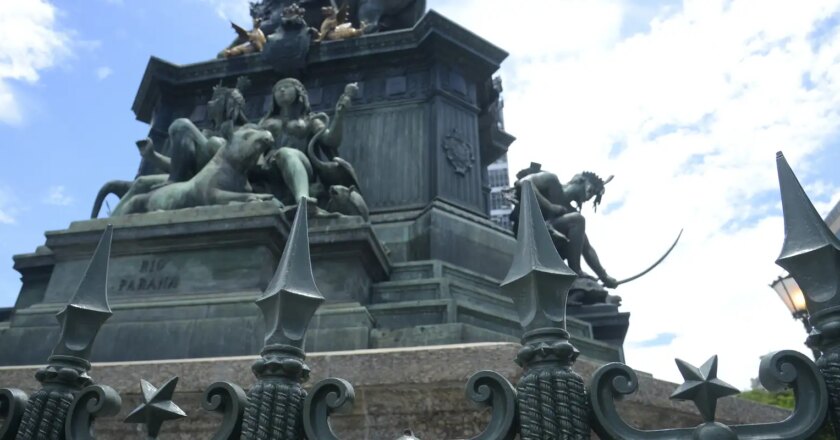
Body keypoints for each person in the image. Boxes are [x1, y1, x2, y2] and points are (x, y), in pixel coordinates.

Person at [510, 162, 618, 288]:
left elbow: (587, 248)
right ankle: (576, 271)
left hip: (548, 243)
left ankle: (574, 274)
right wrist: (550, 206)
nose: (588, 199)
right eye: (591, 191)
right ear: (580, 181)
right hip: (529, 236)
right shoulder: (551, 180)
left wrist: (604, 276)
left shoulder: (571, 213)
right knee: (578, 220)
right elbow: (523, 183)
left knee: (577, 221)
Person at [257, 78, 354, 204]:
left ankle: (303, 199)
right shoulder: (265, 122)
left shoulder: (311, 120)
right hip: (270, 167)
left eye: (287, 86)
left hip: (303, 164)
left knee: (286, 153)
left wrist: (339, 116)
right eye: (277, 89)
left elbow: (331, 141)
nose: (281, 90)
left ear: (299, 92)